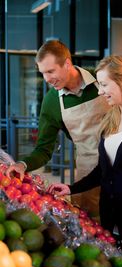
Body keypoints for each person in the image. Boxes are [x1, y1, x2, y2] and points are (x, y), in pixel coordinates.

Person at [47, 54, 122, 263]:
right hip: (111, 219)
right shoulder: (112, 117)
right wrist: (71, 188)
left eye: (104, 84)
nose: (100, 91)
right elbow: (103, 171)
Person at [6, 40, 110, 218]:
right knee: (94, 225)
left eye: (50, 71)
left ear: (67, 63)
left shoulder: (101, 79)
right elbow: (43, 150)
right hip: (88, 174)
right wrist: (23, 164)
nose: (46, 79)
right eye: (43, 73)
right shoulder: (51, 102)